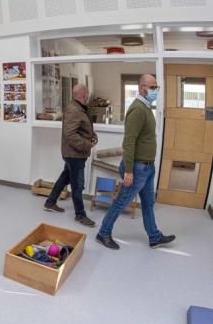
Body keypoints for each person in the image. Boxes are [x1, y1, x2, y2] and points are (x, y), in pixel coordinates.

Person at [96, 74, 175, 250]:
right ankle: (103, 233)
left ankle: (154, 237)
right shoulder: (138, 109)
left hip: (147, 167)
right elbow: (129, 141)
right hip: (137, 168)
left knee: (148, 203)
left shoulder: (146, 107)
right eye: (153, 87)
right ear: (141, 88)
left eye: (156, 88)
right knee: (122, 202)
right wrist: (129, 171)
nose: (156, 91)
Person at [43, 84, 97, 227]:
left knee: (65, 178)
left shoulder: (79, 108)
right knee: (77, 185)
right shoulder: (74, 110)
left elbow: (84, 129)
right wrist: (87, 145)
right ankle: (80, 215)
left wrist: (93, 137)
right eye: (87, 93)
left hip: (74, 153)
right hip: (74, 155)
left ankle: (50, 202)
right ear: (84, 94)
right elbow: (71, 135)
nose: (88, 96)